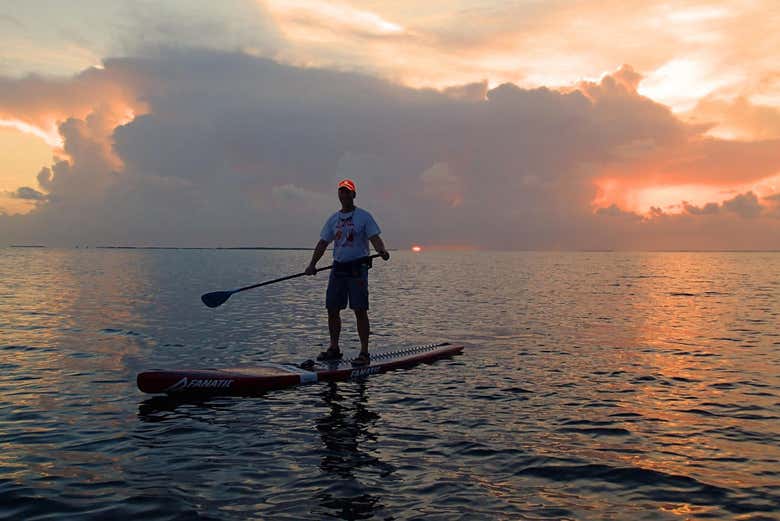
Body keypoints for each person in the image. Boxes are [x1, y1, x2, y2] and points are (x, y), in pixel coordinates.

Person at [305, 179, 390, 366]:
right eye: (341, 192)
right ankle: (334, 348)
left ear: (354, 195)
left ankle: (364, 352)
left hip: (358, 270)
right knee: (332, 309)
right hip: (338, 269)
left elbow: (375, 238)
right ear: (338, 195)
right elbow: (322, 243)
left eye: (347, 192)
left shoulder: (364, 217)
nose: (344, 195)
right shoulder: (333, 219)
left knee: (360, 309)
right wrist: (312, 265)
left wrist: (381, 251)